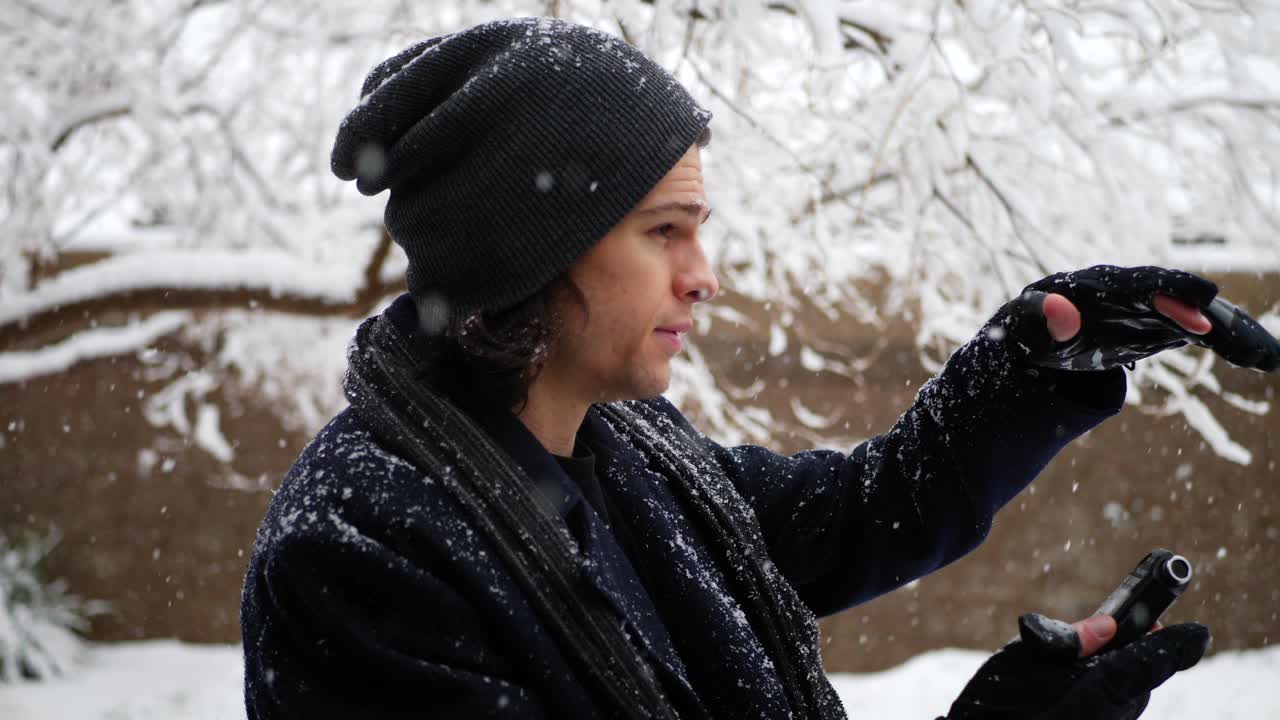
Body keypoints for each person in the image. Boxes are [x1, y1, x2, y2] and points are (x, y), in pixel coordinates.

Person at [239, 17, 1278, 720]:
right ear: (530, 251)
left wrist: (1032, 362)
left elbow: (869, 509)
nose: (705, 278)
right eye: (664, 232)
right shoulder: (360, 553)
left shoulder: (629, 451)